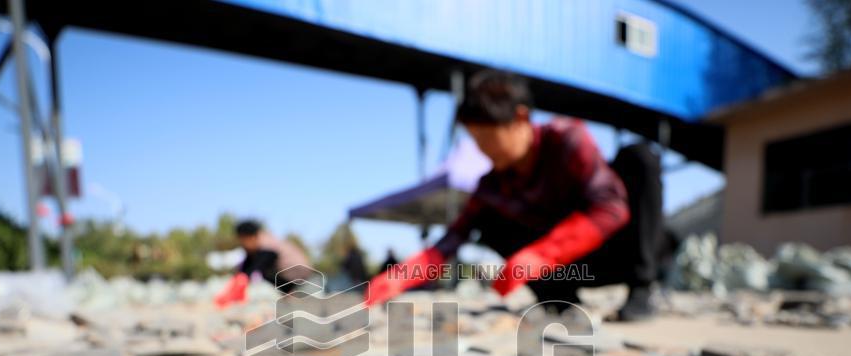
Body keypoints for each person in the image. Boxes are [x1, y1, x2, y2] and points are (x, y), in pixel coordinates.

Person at [365, 69, 665, 320]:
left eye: (486, 136)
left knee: (639, 157)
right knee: (489, 223)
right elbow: (451, 240)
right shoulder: (490, 186)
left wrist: (541, 255)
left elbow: (610, 208)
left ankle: (643, 286)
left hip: (614, 256)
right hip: (566, 274)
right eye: (474, 139)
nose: (482, 148)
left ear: (520, 118)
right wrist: (397, 277)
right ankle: (560, 298)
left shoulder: (566, 140)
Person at [213, 219, 313, 307]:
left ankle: (290, 295)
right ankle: (289, 295)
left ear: (250, 237)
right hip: (292, 275)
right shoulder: (258, 245)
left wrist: (240, 283)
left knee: (263, 271)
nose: (242, 244)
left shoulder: (267, 246)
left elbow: (255, 267)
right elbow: (245, 269)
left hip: (298, 273)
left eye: (242, 240)